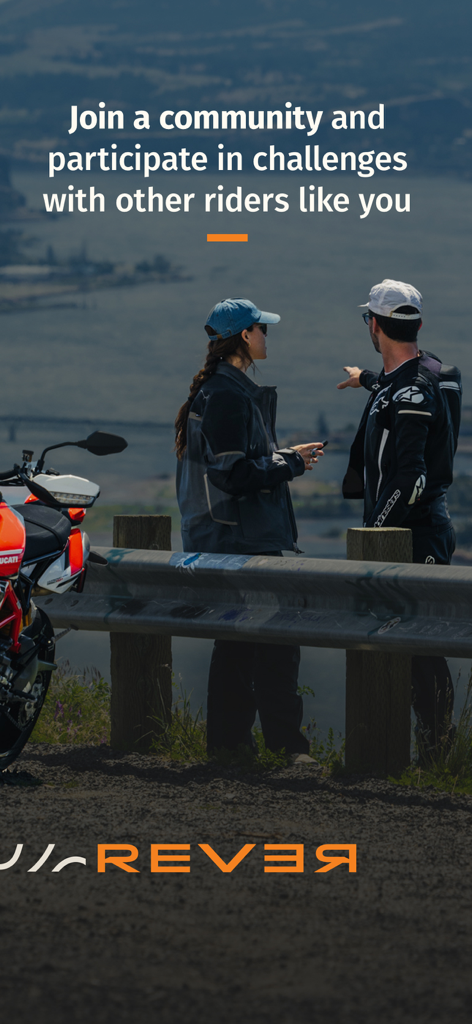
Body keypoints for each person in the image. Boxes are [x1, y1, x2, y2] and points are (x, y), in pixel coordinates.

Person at [175, 297, 324, 763]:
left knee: (238, 646)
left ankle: (230, 747)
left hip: (231, 536)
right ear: (244, 335)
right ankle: (287, 749)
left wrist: (284, 457)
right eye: (263, 329)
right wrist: (291, 464)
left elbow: (238, 465)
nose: (267, 337)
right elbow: (234, 475)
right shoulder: (226, 395)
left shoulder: (226, 391)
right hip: (239, 537)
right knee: (276, 639)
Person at [338, 278, 462, 753]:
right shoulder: (437, 373)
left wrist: (377, 533)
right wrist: (367, 380)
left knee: (419, 652)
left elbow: (410, 476)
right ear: (418, 323)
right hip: (431, 528)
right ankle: (435, 748)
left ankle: (436, 751)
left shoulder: (411, 391)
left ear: (374, 325)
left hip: (412, 533)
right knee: (411, 648)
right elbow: (406, 383)